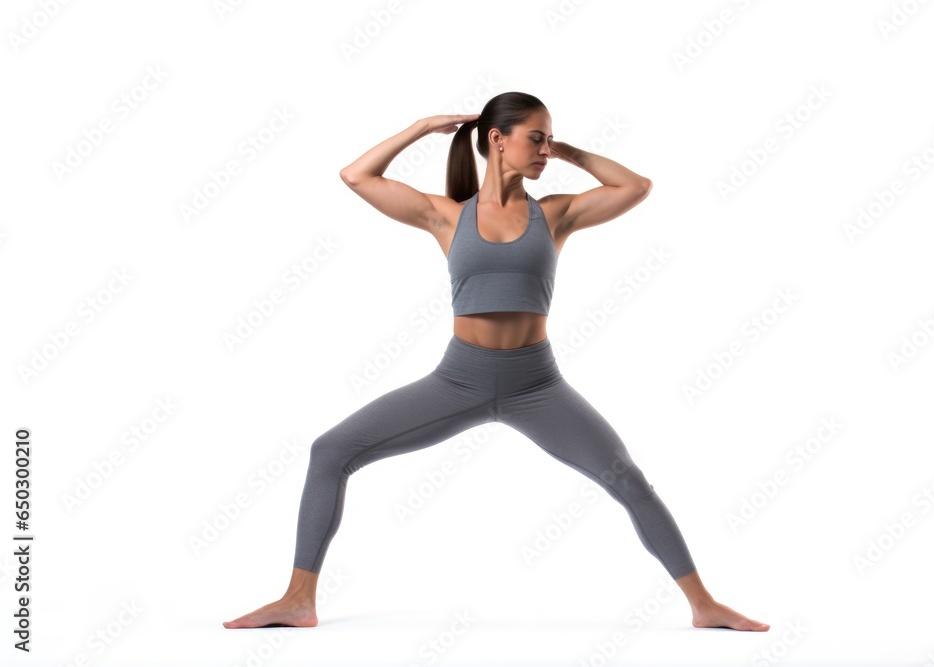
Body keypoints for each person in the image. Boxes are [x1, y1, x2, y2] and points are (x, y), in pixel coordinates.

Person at [223, 92, 768, 632]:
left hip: (539, 385)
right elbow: (356, 176)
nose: (544, 149)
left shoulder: (556, 213)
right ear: (496, 140)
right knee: (331, 451)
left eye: (549, 138)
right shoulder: (445, 215)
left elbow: (635, 187)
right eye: (537, 137)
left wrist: (566, 152)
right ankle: (298, 600)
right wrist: (422, 125)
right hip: (457, 381)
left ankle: (704, 605)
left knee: (626, 477)